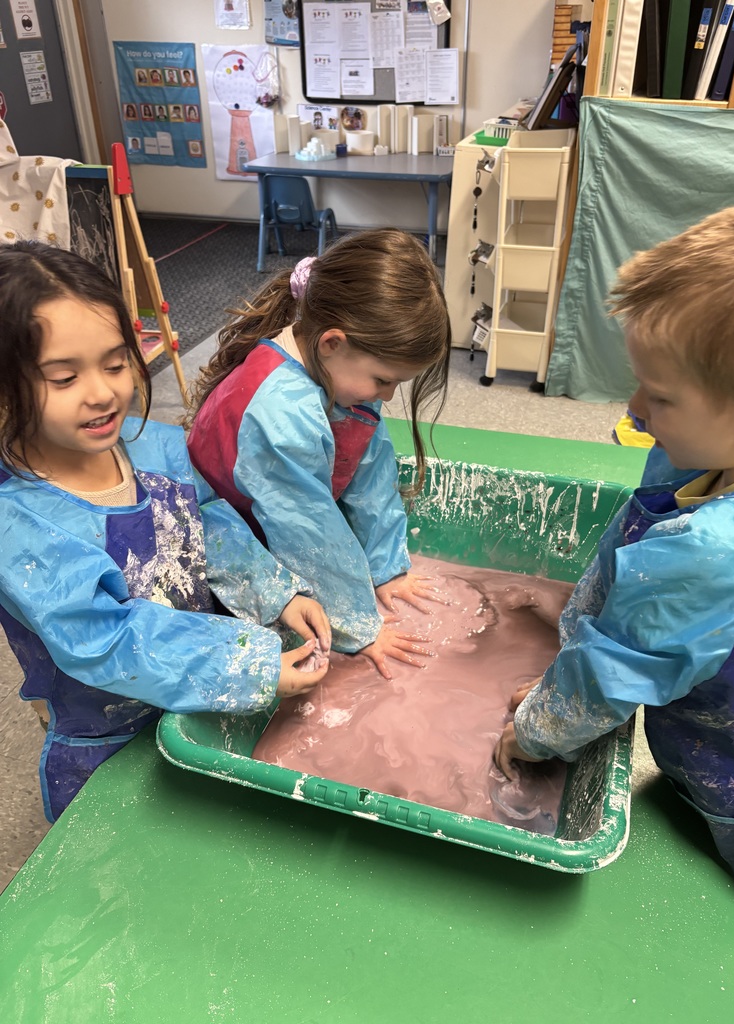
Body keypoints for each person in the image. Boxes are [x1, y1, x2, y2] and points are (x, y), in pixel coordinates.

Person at [493, 199, 734, 1019]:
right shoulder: (720, 450)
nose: (634, 413)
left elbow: (608, 681)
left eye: (658, 396)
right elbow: (626, 564)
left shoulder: (715, 553)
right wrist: (569, 621)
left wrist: (531, 729)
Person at [0, 241, 331, 823]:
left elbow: (207, 526)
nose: (102, 391)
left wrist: (280, 592)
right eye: (64, 376)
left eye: (115, 362)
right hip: (105, 733)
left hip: (195, 695)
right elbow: (105, 636)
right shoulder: (17, 523)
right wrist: (245, 666)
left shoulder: (154, 446)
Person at [187, 229, 452, 678]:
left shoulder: (340, 370)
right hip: (225, 533)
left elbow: (371, 474)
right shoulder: (281, 412)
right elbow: (308, 532)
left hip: (282, 511)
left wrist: (388, 568)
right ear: (333, 343)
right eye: (383, 380)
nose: (387, 396)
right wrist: (359, 627)